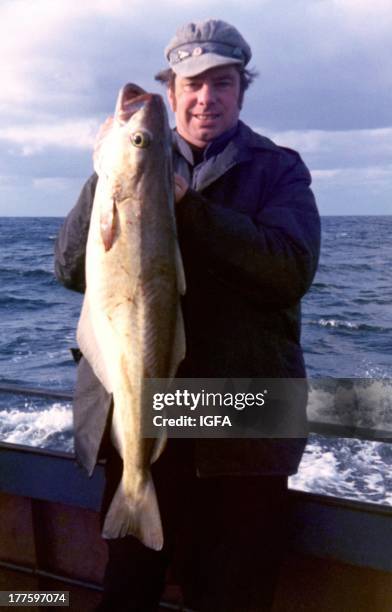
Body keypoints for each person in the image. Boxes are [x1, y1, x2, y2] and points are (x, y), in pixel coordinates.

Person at [55, 18, 321, 612]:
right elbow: (71, 268)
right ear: (171, 92)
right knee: (126, 594)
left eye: (222, 82)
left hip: (240, 429)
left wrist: (184, 210)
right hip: (142, 421)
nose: (206, 97)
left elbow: (289, 270)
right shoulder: (123, 165)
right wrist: (106, 173)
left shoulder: (279, 170)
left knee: (233, 597)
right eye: (191, 83)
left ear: (240, 91)